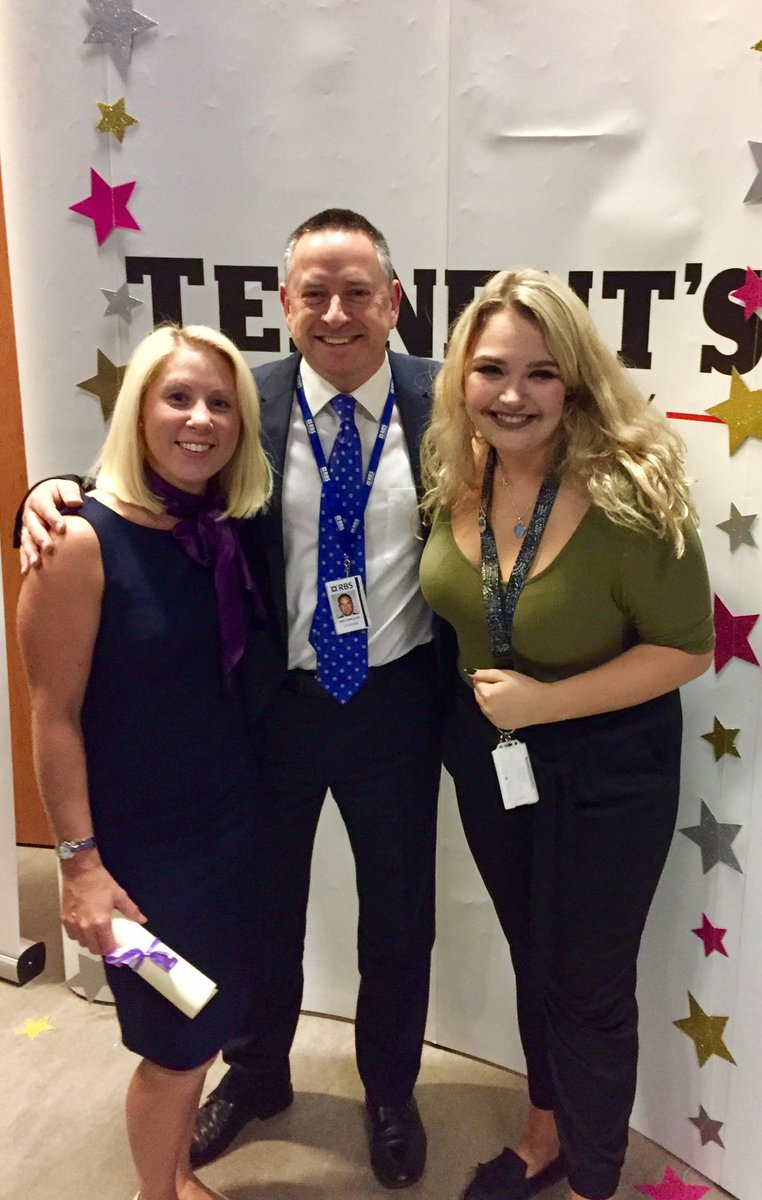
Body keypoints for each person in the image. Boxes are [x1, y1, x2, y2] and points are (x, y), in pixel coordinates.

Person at [17, 210, 441, 1190]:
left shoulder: (444, 400)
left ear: (393, 302)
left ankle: (390, 1090)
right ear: (284, 304)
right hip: (268, 714)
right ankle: (255, 1071)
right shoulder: (245, 401)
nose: (336, 314)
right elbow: (152, 480)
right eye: (314, 294)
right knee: (262, 913)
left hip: (397, 707)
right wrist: (46, 493)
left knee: (399, 918)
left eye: (358, 293)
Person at [418, 269, 714, 1200]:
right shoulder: (452, 475)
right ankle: (544, 1135)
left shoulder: (633, 495)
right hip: (493, 758)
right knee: (532, 955)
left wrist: (545, 704)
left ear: (576, 380)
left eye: (540, 373)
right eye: (492, 370)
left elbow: (687, 648)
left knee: (588, 985)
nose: (513, 395)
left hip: (610, 766)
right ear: (461, 378)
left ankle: (592, 1180)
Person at [16, 325, 272, 1200]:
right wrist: (78, 865)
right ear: (137, 409)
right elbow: (52, 719)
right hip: (138, 851)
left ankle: (175, 1177)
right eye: (178, 398)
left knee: (208, 1015)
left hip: (230, 826)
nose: (201, 419)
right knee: (175, 1046)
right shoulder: (77, 543)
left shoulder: (218, 530)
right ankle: (154, 1192)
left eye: (220, 403)